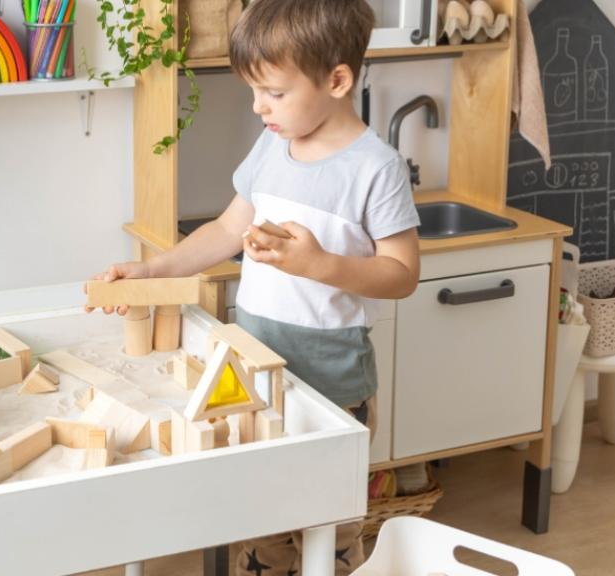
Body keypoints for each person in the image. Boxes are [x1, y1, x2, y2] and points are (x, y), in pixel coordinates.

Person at [89, 0, 421, 572]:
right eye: (253, 90)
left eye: (273, 92)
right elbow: (226, 227)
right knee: (259, 523)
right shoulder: (272, 143)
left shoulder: (376, 167)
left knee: (329, 532)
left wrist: (318, 264)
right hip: (255, 375)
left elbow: (402, 274)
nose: (258, 105)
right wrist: (151, 271)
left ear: (337, 80)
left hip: (334, 385)